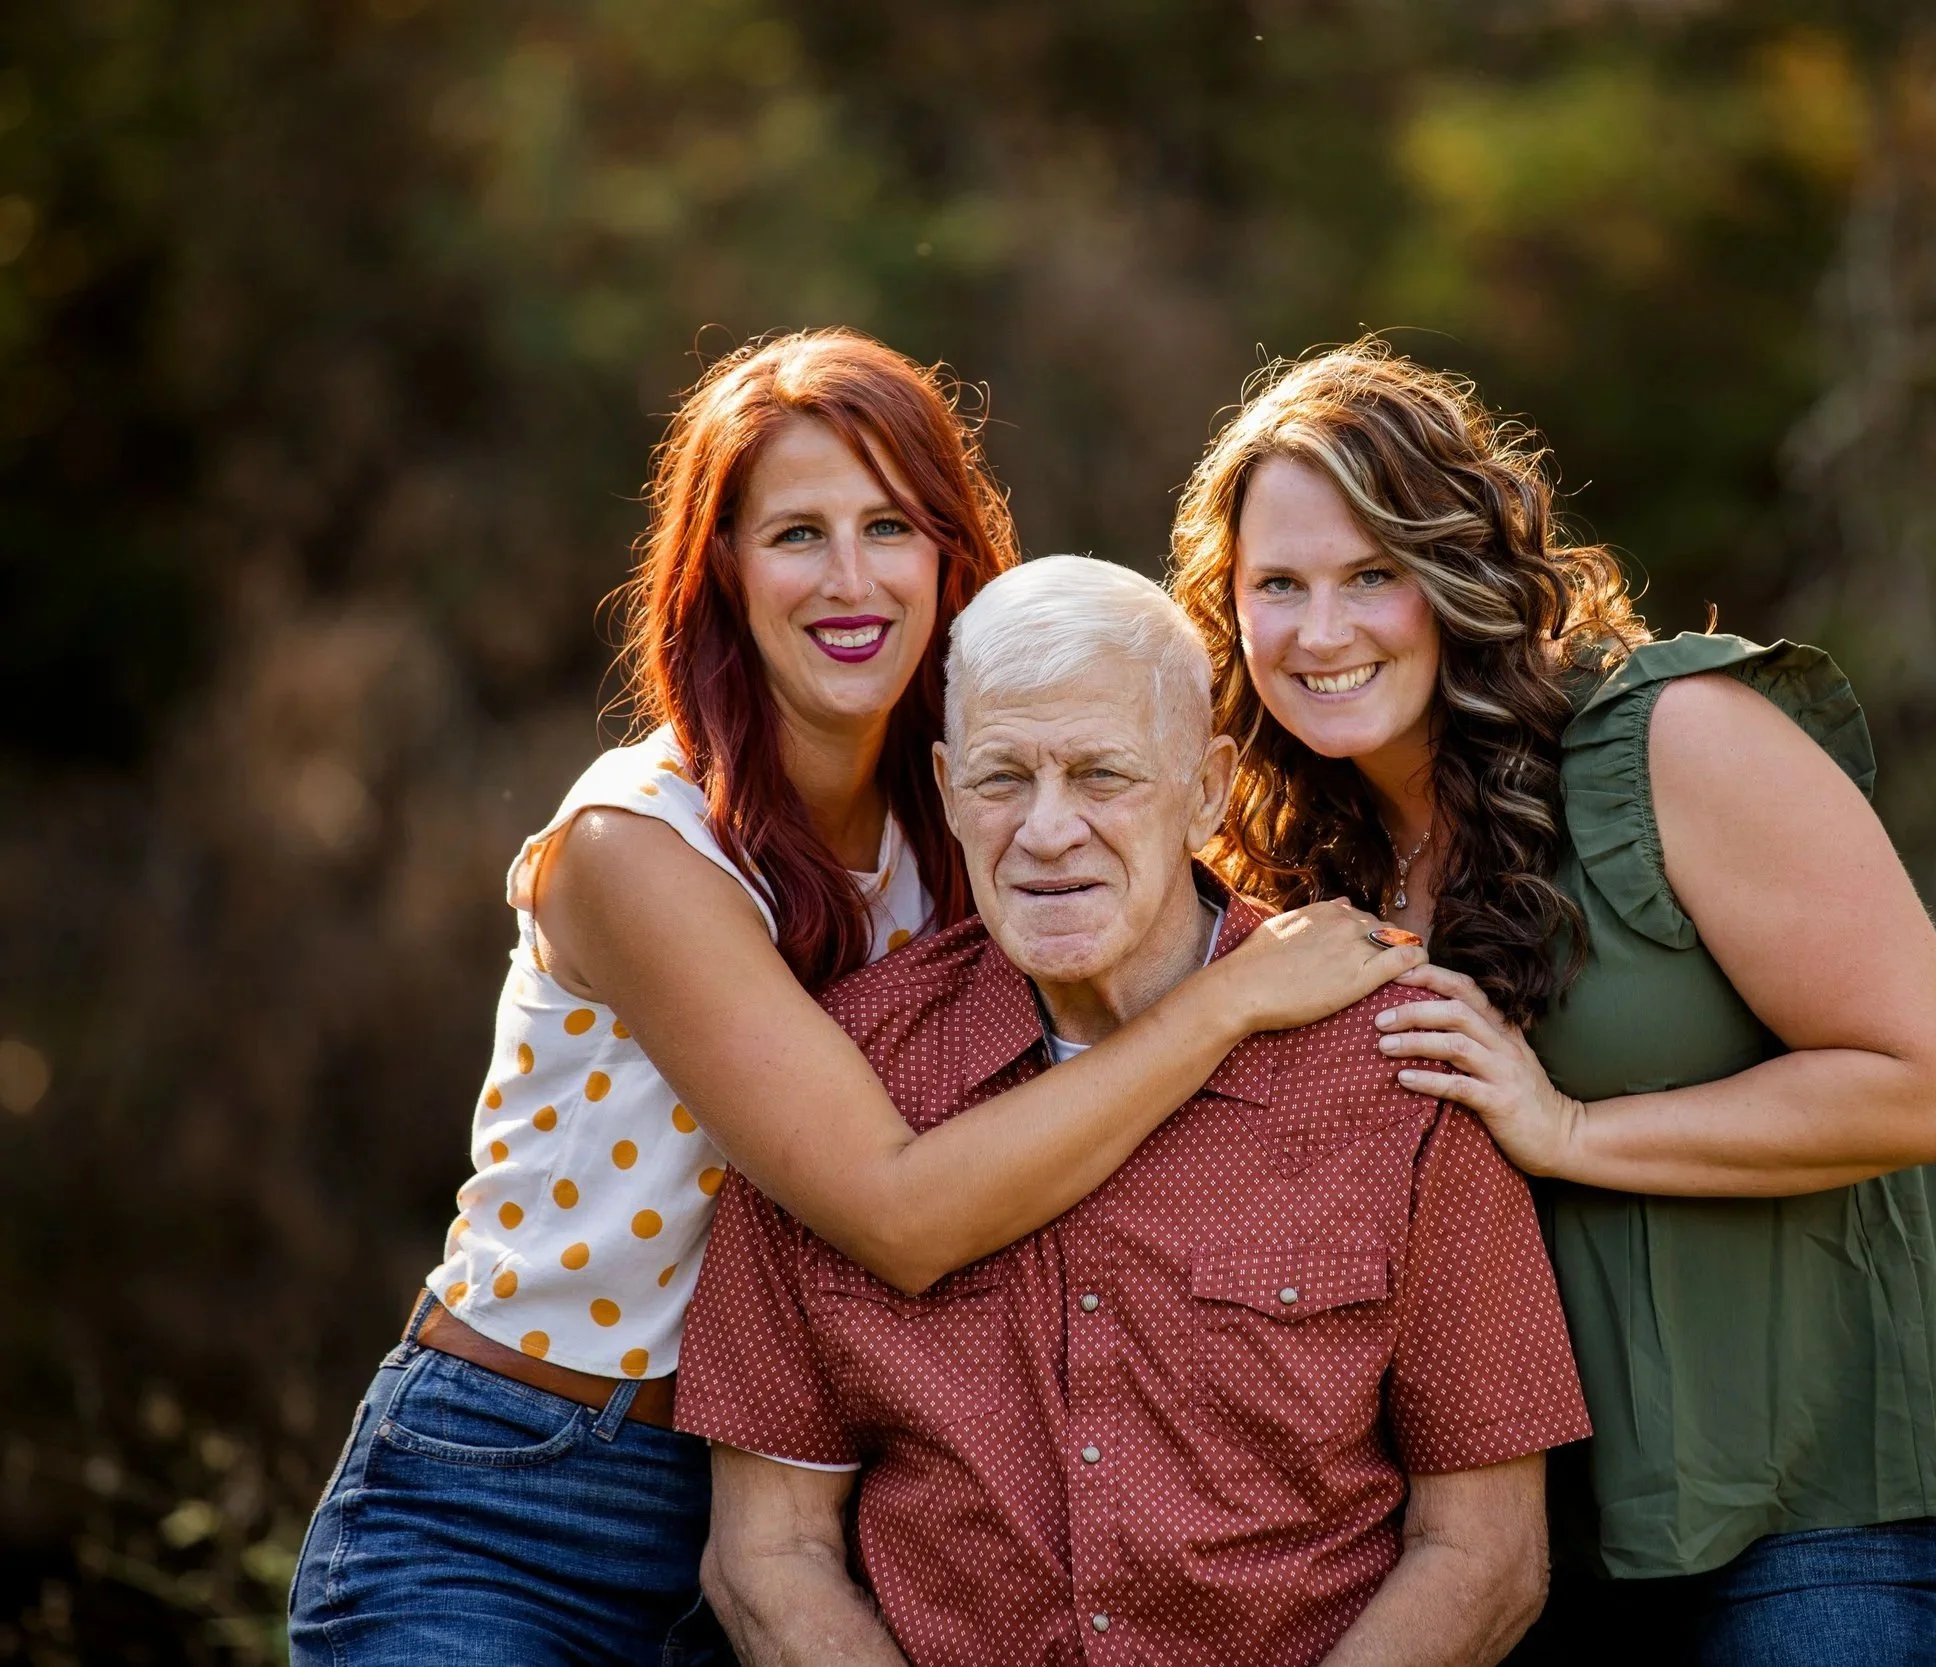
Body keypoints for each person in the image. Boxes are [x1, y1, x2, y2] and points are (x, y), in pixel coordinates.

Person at [286, 334, 1423, 1667]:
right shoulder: (638, 845)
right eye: (794, 534)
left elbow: (1159, 882)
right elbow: (898, 1211)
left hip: (798, 1506)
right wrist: (1232, 1006)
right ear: (721, 567)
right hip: (521, 1489)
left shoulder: (964, 822)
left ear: (947, 554)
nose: (848, 578)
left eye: (888, 525)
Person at [1170, 341, 1936, 1665]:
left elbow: (1929, 1085)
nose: (1319, 629)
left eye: (1370, 575)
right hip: (1514, 1545)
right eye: (1274, 585)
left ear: (1455, 571)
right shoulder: (1279, 850)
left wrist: (1565, 1128)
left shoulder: (1671, 737)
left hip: (1810, 1511)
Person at [676, 555, 1590, 1667]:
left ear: (1206, 789)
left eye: (1103, 774)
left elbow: (1486, 1552)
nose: (1049, 830)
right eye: (1003, 778)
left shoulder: (1394, 1061)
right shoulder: (844, 1081)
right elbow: (767, 1555)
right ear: (946, 783)